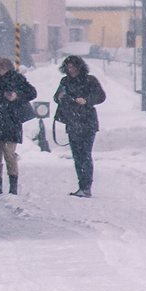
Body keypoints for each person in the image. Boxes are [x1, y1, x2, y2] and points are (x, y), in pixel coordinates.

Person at [0, 56, 37, 194]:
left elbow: (32, 93)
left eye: (1, 67)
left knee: (8, 154)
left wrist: (16, 96)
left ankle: (12, 187)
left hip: (8, 121)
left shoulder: (16, 79)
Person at [53, 55, 106, 198]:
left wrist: (86, 101)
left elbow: (101, 96)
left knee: (85, 155)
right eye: (68, 67)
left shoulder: (90, 80)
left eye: (73, 67)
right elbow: (56, 96)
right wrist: (61, 97)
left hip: (87, 122)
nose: (70, 70)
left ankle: (86, 186)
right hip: (72, 122)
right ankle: (82, 186)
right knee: (77, 156)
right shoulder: (65, 81)